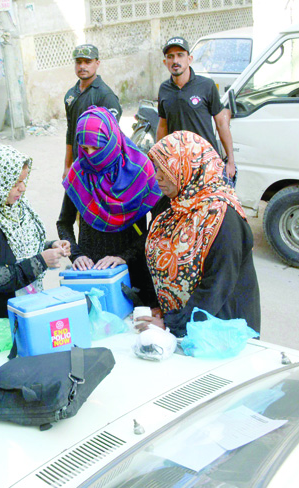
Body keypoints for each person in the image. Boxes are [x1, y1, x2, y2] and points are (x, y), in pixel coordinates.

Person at [139, 131, 260, 337]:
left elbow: (215, 287)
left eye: (166, 168)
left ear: (189, 167)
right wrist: (161, 307)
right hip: (182, 324)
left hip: (221, 330)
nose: (157, 175)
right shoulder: (171, 204)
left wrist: (173, 323)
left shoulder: (223, 218)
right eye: (157, 167)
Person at [58, 107, 162, 305]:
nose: (91, 156)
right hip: (92, 273)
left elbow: (157, 227)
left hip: (134, 269)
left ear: (112, 140)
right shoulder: (79, 173)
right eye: (85, 149)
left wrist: (124, 257)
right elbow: (63, 223)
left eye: (97, 148)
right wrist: (77, 255)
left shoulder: (141, 170)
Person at [0, 145, 70, 323]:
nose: (22, 188)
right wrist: (40, 261)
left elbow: (18, 247)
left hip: (24, 308)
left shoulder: (15, 206)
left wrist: (49, 246)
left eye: (24, 181)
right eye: (15, 183)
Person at [156, 36, 236, 183]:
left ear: (190, 59)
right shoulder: (164, 90)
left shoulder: (206, 86)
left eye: (180, 55)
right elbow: (162, 126)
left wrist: (230, 161)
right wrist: (160, 161)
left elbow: (221, 123)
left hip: (207, 164)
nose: (175, 61)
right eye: (170, 57)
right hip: (179, 166)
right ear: (165, 62)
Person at [63, 44, 122, 179]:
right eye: (78, 62)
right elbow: (70, 133)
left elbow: (113, 139)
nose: (82, 66)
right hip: (78, 167)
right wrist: (67, 166)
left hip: (97, 169)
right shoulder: (71, 95)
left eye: (88, 62)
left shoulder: (106, 96)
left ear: (97, 63)